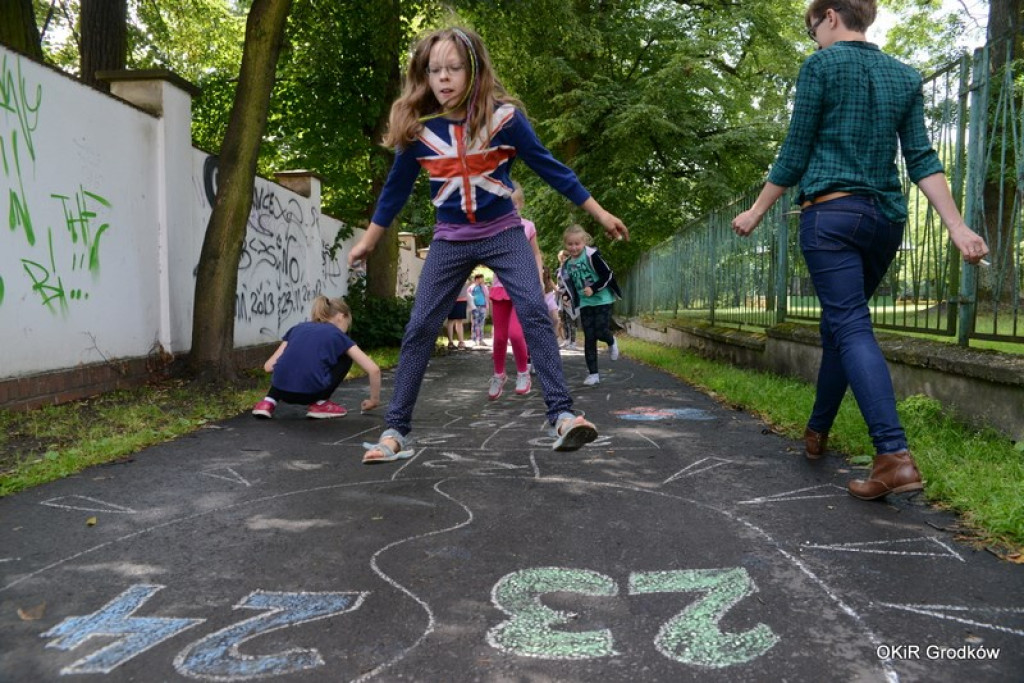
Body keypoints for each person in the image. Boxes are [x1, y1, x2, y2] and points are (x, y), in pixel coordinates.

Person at [731, 0, 989, 500]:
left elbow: (795, 151)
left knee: (849, 325)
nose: (815, 40)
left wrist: (757, 210)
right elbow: (921, 157)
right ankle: (816, 432)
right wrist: (956, 226)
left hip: (831, 217)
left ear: (829, 16)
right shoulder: (904, 75)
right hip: (884, 222)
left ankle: (893, 456)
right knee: (839, 325)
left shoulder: (820, 66)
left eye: (812, 30)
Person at [347, 26, 629, 463]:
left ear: (474, 70)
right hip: (450, 239)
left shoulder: (505, 120)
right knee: (420, 326)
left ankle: (562, 415)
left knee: (533, 309)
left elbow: (553, 169)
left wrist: (601, 213)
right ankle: (395, 431)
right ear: (424, 75)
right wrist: (369, 240)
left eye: (454, 68)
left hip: (503, 233)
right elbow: (394, 192)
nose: (444, 78)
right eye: (434, 70)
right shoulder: (419, 131)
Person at [252, 296, 381, 419]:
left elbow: (268, 367)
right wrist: (373, 401)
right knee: (346, 358)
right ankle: (320, 403)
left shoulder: (297, 328)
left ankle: (267, 403)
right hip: (311, 394)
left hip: (281, 391)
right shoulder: (338, 335)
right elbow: (373, 369)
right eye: (348, 323)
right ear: (342, 316)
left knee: (289, 362)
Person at [487, 182, 545, 400]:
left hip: (522, 287)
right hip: (500, 287)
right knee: (499, 337)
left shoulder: (527, 227)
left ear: (520, 204)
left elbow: (536, 254)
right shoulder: (493, 227)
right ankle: (498, 375)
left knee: (516, 334)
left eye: (512, 205)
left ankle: (523, 373)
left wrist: (539, 278)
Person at [560, 225, 622, 386]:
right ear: (565, 244)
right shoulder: (567, 265)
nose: (574, 247)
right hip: (585, 303)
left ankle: (611, 341)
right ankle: (593, 374)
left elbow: (608, 275)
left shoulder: (591, 256)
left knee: (600, 331)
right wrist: (567, 296)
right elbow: (571, 285)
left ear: (584, 242)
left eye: (577, 244)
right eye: (570, 244)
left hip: (602, 299)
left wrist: (593, 288)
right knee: (589, 337)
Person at [555, 249, 578, 350]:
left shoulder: (571, 268)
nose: (562, 259)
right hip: (560, 297)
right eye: (561, 257)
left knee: (571, 319)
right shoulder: (559, 270)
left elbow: (573, 284)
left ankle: (573, 342)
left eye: (564, 257)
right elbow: (558, 283)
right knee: (563, 319)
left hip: (569, 297)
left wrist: (567, 296)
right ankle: (567, 340)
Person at [446, 278, 470, 350]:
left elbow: (468, 284)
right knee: (451, 320)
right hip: (451, 300)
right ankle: (450, 342)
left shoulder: (465, 275)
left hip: (462, 300)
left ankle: (461, 342)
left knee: (459, 321)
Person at [468, 272, 489, 347]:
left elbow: (487, 294)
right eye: (480, 279)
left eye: (482, 279)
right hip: (475, 307)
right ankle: (474, 339)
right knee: (475, 323)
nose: (481, 280)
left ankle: (481, 339)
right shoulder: (471, 287)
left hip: (483, 306)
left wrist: (483, 286)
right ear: (476, 279)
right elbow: (468, 296)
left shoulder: (484, 287)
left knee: (481, 324)